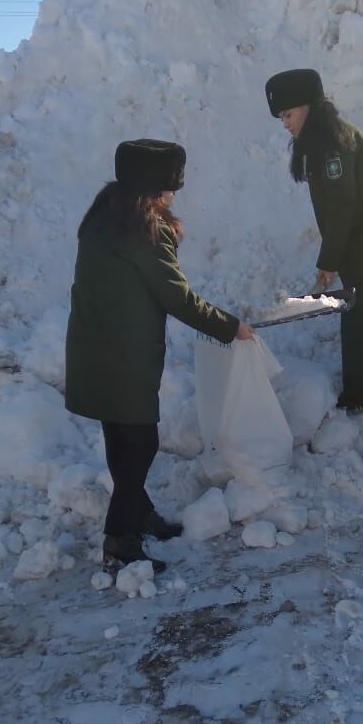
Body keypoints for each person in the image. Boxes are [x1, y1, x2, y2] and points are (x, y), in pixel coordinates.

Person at [65, 138, 255, 574]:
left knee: (121, 435)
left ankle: (138, 512)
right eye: (169, 188)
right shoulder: (143, 229)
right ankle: (119, 538)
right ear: (152, 188)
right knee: (141, 441)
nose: (173, 196)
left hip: (93, 344)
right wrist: (231, 327)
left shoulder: (104, 214)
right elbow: (178, 298)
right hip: (122, 353)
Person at [265, 68, 363, 413]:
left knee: (356, 320)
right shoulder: (325, 140)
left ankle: (356, 398)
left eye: (288, 114)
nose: (285, 123)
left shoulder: (333, 145)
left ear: (307, 106)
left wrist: (327, 264)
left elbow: (342, 208)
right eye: (281, 118)